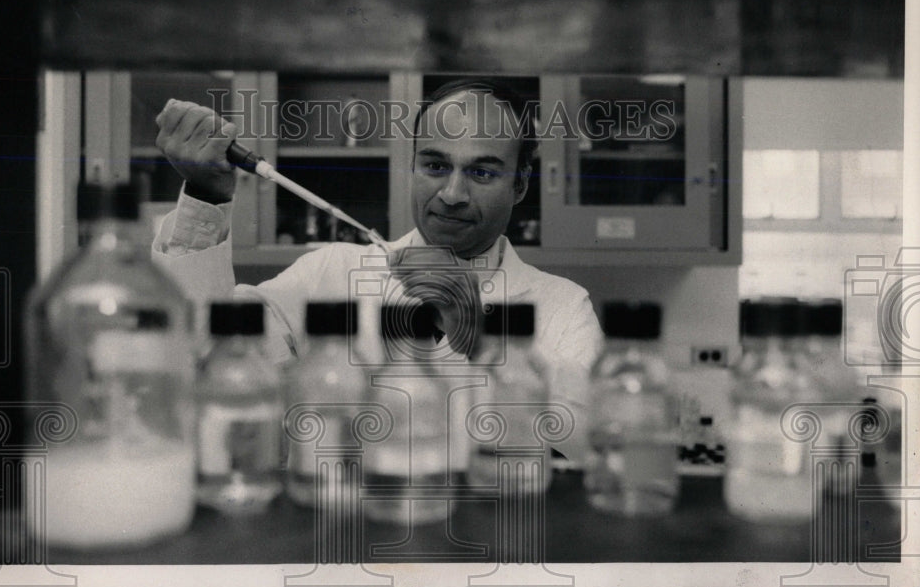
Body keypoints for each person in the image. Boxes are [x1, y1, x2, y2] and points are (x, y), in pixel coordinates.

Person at [151, 78, 602, 459]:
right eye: (435, 165)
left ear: (520, 185)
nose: (451, 194)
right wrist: (206, 198)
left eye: (482, 173)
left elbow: (593, 440)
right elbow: (201, 350)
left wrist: (476, 330)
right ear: (412, 166)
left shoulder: (562, 306)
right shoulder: (330, 274)